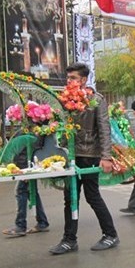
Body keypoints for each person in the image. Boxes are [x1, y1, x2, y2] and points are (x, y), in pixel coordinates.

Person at [49, 63, 119, 254]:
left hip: (89, 155)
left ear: (84, 80)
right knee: (70, 197)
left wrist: (106, 157)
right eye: (68, 78)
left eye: (73, 78)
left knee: (92, 196)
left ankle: (110, 234)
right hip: (71, 155)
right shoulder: (65, 100)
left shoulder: (96, 100)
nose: (69, 81)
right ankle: (69, 239)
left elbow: (104, 129)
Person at [2, 134, 49, 237]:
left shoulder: (31, 131)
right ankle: (42, 222)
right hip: (27, 166)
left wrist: (25, 171)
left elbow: (28, 151)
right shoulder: (31, 130)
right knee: (31, 192)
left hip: (27, 167)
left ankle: (21, 225)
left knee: (21, 191)